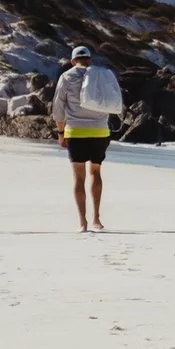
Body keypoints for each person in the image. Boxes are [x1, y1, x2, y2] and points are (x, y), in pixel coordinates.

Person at [52, 45, 122, 231]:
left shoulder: (66, 77)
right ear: (89, 59)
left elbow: (58, 109)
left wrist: (60, 133)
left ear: (73, 61)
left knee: (78, 177)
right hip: (100, 131)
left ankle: (83, 222)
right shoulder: (102, 74)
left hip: (75, 131)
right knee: (96, 173)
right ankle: (97, 219)